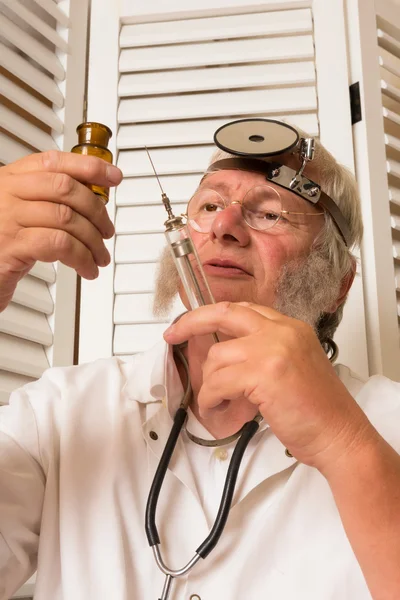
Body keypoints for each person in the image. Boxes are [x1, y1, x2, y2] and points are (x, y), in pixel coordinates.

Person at [0, 123, 400, 600]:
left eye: (270, 214)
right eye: (210, 205)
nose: (223, 226)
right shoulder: (59, 413)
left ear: (338, 282)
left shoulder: (387, 422)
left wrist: (344, 442)